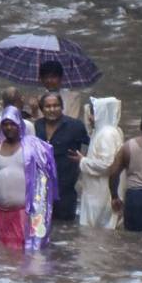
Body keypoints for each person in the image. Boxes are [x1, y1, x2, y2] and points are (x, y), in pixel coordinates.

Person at [0, 106, 58, 250]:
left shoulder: (32, 148)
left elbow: (45, 180)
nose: (9, 127)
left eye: (12, 124)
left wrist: (40, 210)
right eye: (5, 124)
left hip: (24, 214)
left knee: (23, 254)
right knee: (3, 254)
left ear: (20, 124)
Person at [35, 92, 90, 223]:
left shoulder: (75, 126)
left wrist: (83, 160)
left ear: (62, 107)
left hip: (65, 191)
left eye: (56, 105)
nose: (52, 109)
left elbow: (91, 145)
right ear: (42, 109)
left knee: (65, 231)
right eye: (48, 106)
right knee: (40, 227)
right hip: (41, 190)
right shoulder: (37, 126)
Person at [70, 97, 124, 228]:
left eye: (94, 114)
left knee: (98, 229)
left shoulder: (107, 134)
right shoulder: (106, 131)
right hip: (97, 190)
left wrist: (82, 161)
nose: (90, 118)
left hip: (101, 191)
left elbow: (107, 164)